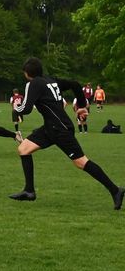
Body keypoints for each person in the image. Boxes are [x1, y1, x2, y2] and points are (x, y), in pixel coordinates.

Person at [10, 57, 124, 209]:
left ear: (27, 73)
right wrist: (82, 105)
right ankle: (29, 191)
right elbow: (75, 84)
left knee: (81, 162)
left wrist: (16, 106)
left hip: (60, 129)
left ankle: (116, 190)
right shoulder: (51, 80)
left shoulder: (33, 83)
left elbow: (26, 109)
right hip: (51, 128)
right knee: (24, 149)